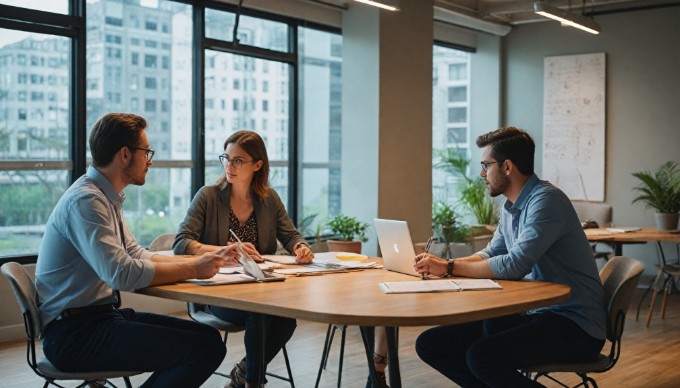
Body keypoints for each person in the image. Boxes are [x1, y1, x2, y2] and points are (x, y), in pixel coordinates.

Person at [35, 113, 239, 388]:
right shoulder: (87, 201)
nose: (150, 160)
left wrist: (202, 260)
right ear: (124, 154)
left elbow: (135, 252)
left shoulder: (104, 197)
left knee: (209, 338)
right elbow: (120, 273)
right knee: (205, 349)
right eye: (146, 152)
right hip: (74, 335)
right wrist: (194, 268)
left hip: (96, 319)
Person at [413, 126, 607, 387]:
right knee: (431, 344)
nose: (482, 173)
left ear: (507, 167)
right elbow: (492, 252)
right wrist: (441, 266)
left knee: (482, 357)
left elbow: (515, 264)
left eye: (486, 165)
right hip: (537, 313)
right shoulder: (511, 206)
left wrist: (449, 266)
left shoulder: (546, 201)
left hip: (575, 325)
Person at [174, 130, 313, 388]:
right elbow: (181, 243)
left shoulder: (268, 199)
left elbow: (291, 234)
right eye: (226, 158)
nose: (230, 165)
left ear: (257, 164)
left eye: (238, 160)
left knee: (286, 321)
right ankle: (253, 383)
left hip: (260, 290)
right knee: (258, 314)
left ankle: (245, 371)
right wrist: (225, 251)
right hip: (217, 293)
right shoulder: (208, 196)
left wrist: (301, 247)